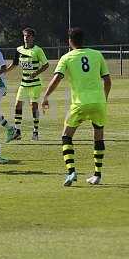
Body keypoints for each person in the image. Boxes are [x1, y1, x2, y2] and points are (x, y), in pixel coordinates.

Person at [42, 27, 112, 186]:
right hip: (99, 103)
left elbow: (57, 78)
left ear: (69, 41)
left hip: (79, 104)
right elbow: (108, 81)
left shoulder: (67, 57)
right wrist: (104, 98)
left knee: (66, 136)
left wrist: (46, 96)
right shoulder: (97, 54)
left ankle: (71, 171)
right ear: (83, 40)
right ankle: (97, 175)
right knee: (98, 137)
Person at [7, 27, 49, 140]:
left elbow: (46, 65)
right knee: (17, 105)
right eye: (25, 35)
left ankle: (35, 132)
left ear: (33, 37)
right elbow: (14, 64)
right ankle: (18, 131)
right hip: (23, 83)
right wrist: (4, 71)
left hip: (35, 84)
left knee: (33, 106)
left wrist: (36, 73)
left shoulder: (38, 50)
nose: (26, 37)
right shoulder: (19, 49)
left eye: (29, 35)